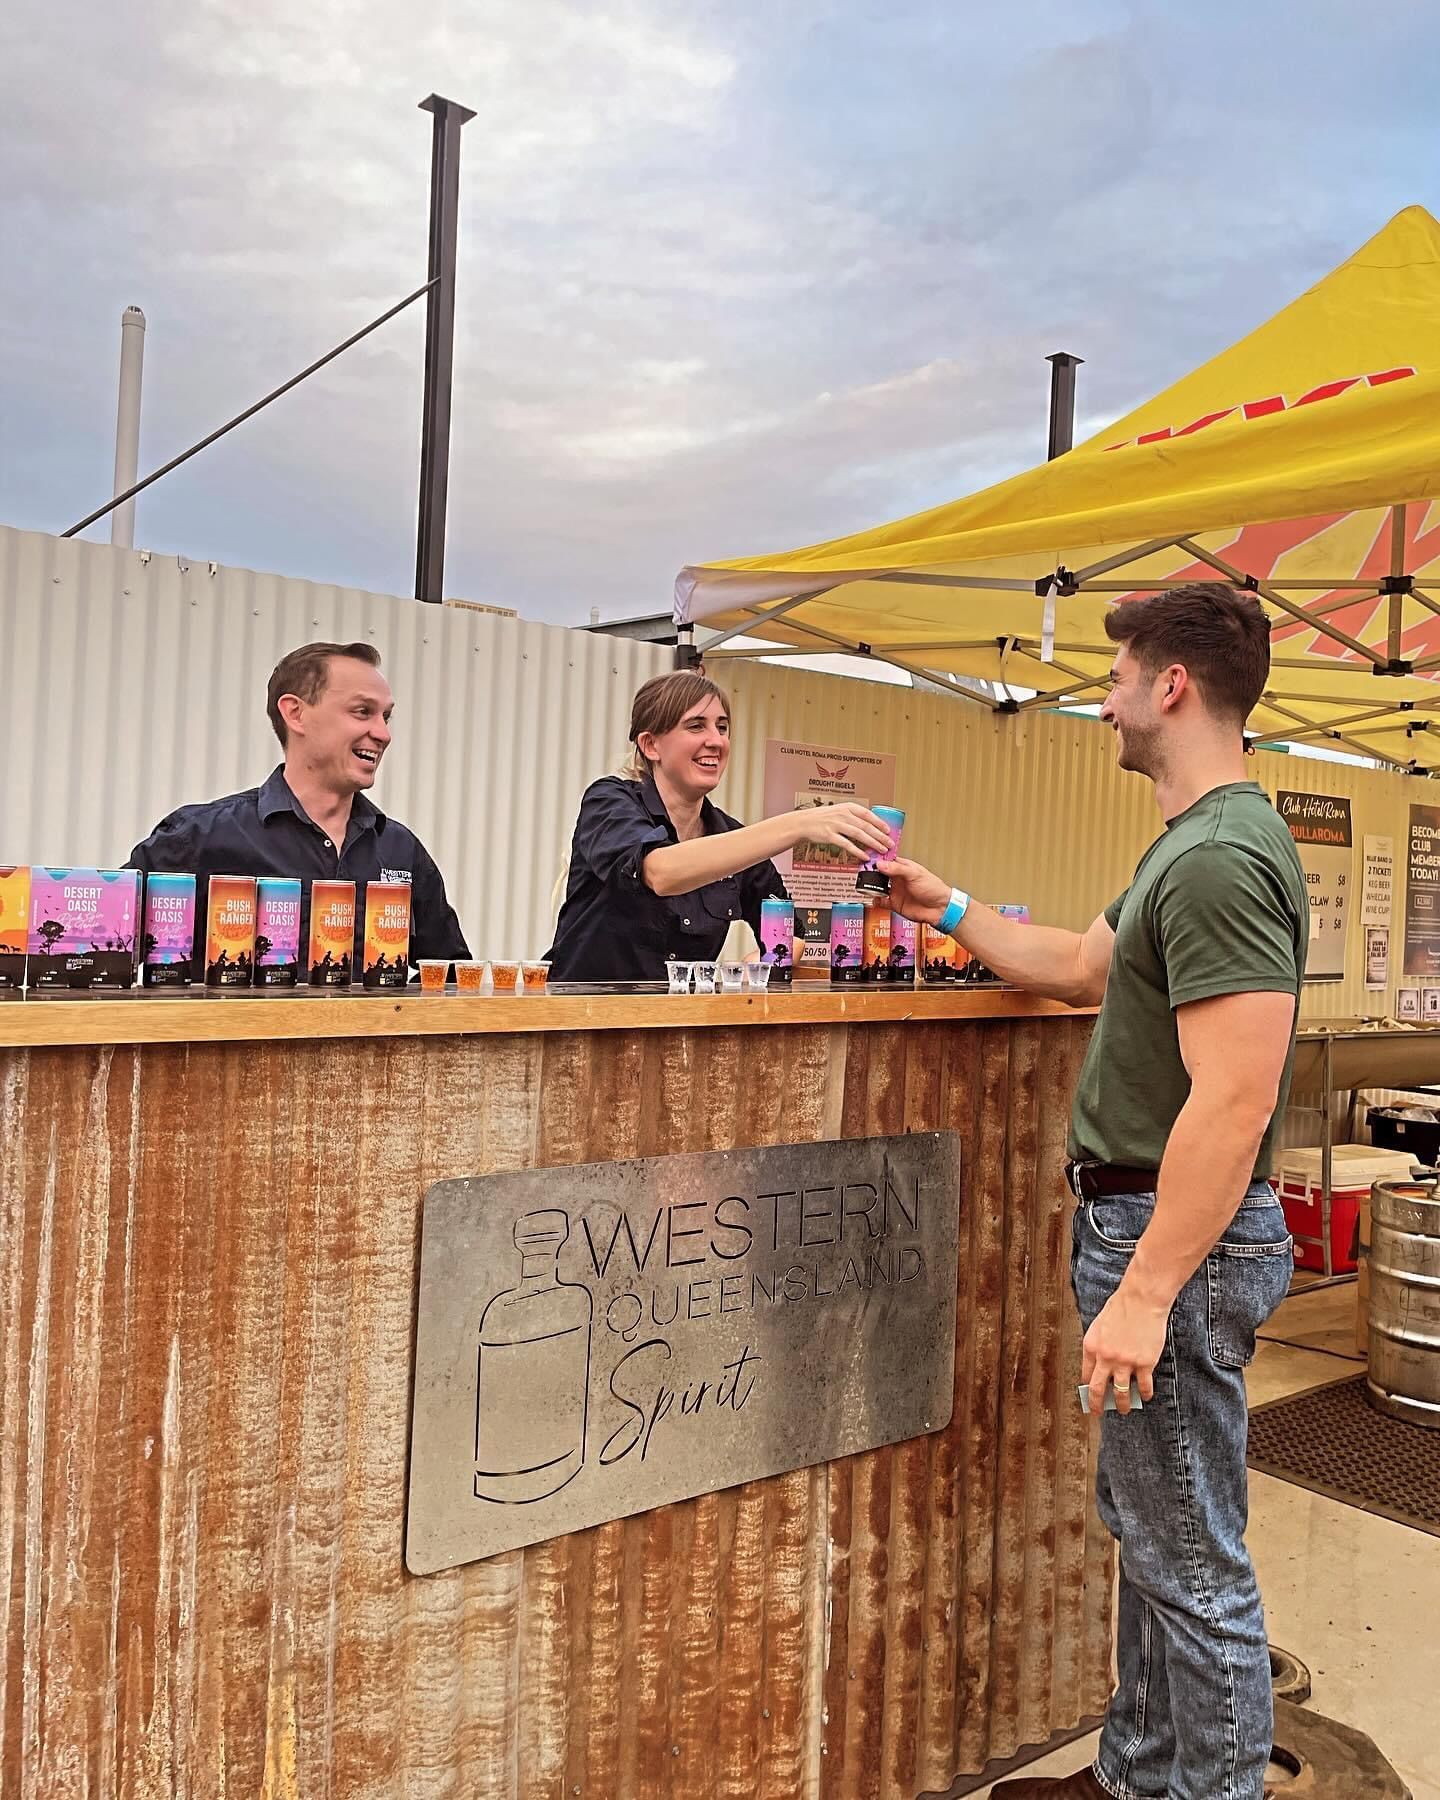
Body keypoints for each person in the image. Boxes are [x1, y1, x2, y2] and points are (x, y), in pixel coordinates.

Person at [883, 584, 1304, 1800]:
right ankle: (1139, 1776)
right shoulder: (1189, 844)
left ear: (1172, 685)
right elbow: (1076, 964)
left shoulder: (1221, 859)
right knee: (1159, 1534)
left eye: (1118, 673)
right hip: (1144, 1232)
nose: (1104, 697)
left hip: (1171, 1243)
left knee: (1192, 1560)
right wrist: (946, 907)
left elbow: (1233, 1100)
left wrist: (1149, 1291)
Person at [129, 641, 469, 972]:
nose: (383, 733)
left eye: (386, 717)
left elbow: (453, 980)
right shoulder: (200, 837)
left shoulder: (400, 849)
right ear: (296, 713)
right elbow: (97, 956)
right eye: (362, 711)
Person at [546, 669, 891, 983]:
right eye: (696, 726)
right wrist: (798, 823)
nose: (716, 740)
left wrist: (752, 968)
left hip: (677, 1034)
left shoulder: (731, 838)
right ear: (651, 744)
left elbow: (791, 933)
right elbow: (660, 871)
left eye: (722, 727)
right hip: (584, 1029)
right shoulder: (609, 801)